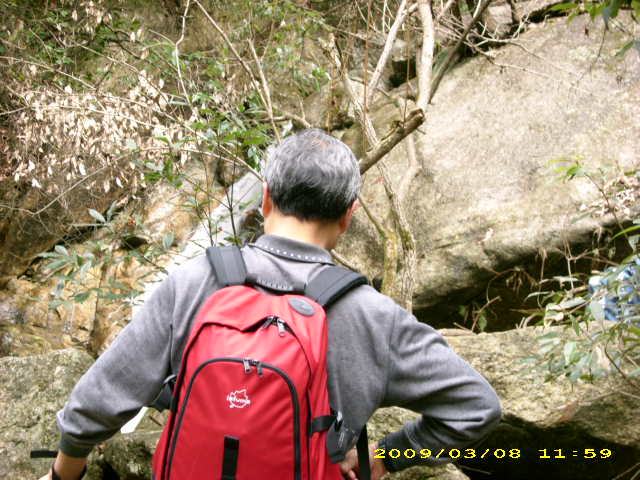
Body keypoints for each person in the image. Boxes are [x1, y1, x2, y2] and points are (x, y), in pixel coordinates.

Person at [40, 128, 501, 480]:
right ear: (348, 216)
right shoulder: (376, 317)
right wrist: (385, 456)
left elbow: (101, 398)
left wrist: (65, 472)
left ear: (265, 197)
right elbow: (477, 407)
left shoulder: (196, 281)